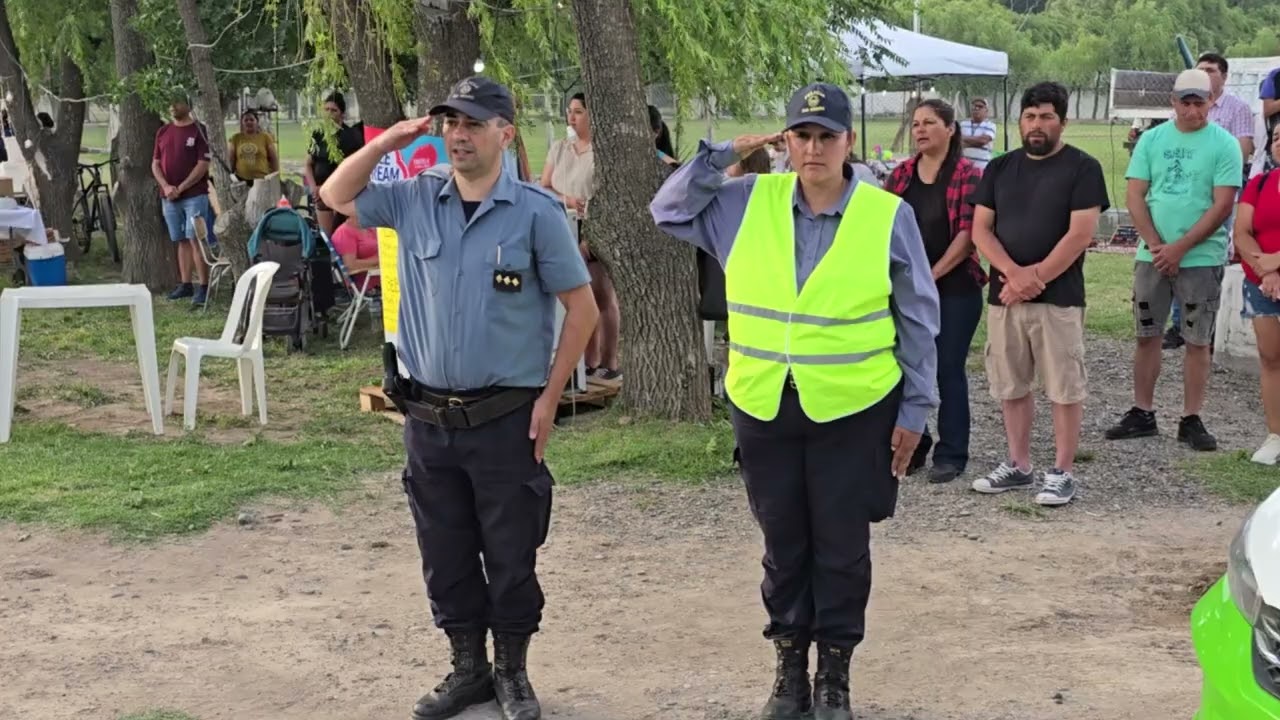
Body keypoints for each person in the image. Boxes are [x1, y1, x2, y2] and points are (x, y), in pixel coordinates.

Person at [651, 82, 940, 720]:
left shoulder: (887, 215)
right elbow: (667, 211)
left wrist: (917, 411)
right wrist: (721, 152)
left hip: (853, 408)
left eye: (826, 136)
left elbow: (919, 319)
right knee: (783, 542)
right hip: (763, 405)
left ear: (848, 142)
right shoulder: (746, 201)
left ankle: (834, 671)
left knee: (840, 543)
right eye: (801, 135)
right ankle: (789, 668)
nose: (813, 149)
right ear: (786, 141)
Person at [319, 76, 598, 720]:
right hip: (427, 417)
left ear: (505, 131)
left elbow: (580, 312)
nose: (458, 134)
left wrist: (551, 399)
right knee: (443, 550)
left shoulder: (535, 212)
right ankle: (468, 668)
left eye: (472, 123)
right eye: (449, 122)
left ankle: (512, 673)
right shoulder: (415, 198)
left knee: (510, 551)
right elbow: (335, 196)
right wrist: (392, 136)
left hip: (505, 419)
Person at [968, 81, 1110, 506]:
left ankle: (1063, 471)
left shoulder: (1083, 168)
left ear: (1062, 122)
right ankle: (1019, 464)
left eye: (1047, 116)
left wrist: (1037, 277)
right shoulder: (999, 168)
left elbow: (1080, 234)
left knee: (1064, 387)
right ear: (1019, 121)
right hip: (1005, 297)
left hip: (1059, 299)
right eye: (1030, 116)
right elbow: (980, 230)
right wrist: (1013, 274)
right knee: (1010, 385)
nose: (1037, 124)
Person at [1106, 68, 1241, 452]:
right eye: (1186, 101)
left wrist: (1180, 248)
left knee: (1197, 340)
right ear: (1173, 102)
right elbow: (1135, 195)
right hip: (1153, 255)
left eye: (1200, 102)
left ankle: (1191, 417)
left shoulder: (1224, 144)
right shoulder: (1152, 139)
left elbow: (1222, 203)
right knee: (1146, 334)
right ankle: (1142, 411)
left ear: (1211, 102)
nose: (1192, 109)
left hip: (1201, 256)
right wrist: (1155, 244)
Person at [885, 99, 986, 484]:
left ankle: (953, 452)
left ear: (950, 129)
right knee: (902, 366)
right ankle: (915, 441)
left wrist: (931, 275)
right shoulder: (900, 175)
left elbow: (967, 236)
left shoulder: (967, 174)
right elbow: (884, 226)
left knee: (946, 369)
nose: (921, 130)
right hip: (905, 289)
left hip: (955, 289)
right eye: (915, 124)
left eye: (929, 123)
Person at [1163, 52, 1256, 350]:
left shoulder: (1237, 108)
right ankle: (1179, 323)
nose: (1205, 73)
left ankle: (1205, 324)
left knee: (1207, 258)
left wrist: (1209, 166)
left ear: (1224, 76)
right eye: (1200, 69)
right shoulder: (1179, 109)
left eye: (1211, 70)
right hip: (1181, 196)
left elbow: (1242, 148)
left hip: (1217, 196)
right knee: (1175, 255)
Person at [539, 93, 621, 381]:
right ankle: (587, 360)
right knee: (574, 295)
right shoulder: (560, 148)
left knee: (601, 294)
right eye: (569, 111)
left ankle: (610, 359)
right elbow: (545, 185)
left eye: (578, 112)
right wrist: (568, 200)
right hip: (563, 225)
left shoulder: (603, 152)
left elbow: (609, 197)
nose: (571, 117)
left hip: (593, 227)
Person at [1233, 124, 1280, 465]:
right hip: (1263, 284)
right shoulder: (1259, 183)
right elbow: (1242, 232)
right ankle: (1276, 435)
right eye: (1277, 138)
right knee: (1270, 358)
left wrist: (1277, 261)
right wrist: (1268, 270)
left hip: (1268, 273)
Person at [151, 93, 212, 306]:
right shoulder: (163, 131)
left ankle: (204, 286)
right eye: (170, 102)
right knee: (181, 240)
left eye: (176, 102)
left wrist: (182, 187)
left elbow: (203, 164)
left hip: (194, 195)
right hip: (168, 196)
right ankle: (185, 284)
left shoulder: (199, 130)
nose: (172, 107)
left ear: (188, 104)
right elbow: (155, 163)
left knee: (196, 238)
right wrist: (166, 186)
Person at [305, 92, 365, 236]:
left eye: (334, 110)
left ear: (342, 114)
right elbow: (308, 163)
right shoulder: (318, 134)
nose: (329, 114)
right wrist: (314, 188)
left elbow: (350, 168)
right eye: (326, 110)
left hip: (342, 193)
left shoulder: (351, 136)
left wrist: (328, 188)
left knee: (342, 235)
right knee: (328, 238)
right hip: (320, 193)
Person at [330, 214, 381, 291]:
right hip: (368, 280)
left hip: (379, 272)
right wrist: (380, 260)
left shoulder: (369, 228)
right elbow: (350, 265)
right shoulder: (344, 232)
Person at [229, 110, 279, 183]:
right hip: (241, 180)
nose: (249, 122)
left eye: (252, 120)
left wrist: (275, 176)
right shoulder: (236, 138)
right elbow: (232, 159)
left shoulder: (265, 137)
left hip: (262, 180)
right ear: (242, 123)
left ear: (257, 122)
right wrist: (231, 175)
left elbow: (273, 158)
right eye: (246, 120)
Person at [958, 97, 997, 170]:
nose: (976, 109)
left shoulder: (990, 125)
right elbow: (956, 142)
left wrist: (963, 139)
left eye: (980, 107)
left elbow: (982, 141)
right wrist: (976, 142)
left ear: (986, 111)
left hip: (982, 169)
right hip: (964, 168)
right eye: (974, 106)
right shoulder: (963, 124)